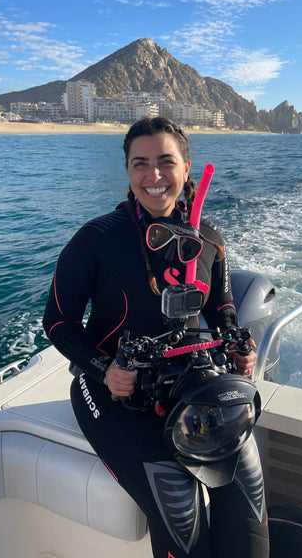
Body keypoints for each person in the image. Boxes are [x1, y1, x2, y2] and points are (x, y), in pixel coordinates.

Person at [43, 117, 269, 558]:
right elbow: (58, 321)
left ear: (187, 167)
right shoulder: (96, 240)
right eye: (140, 164)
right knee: (178, 497)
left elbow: (221, 309)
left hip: (189, 389)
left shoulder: (208, 239)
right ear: (128, 172)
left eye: (166, 162)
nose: (154, 176)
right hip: (113, 394)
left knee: (247, 480)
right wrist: (105, 369)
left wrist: (237, 344)